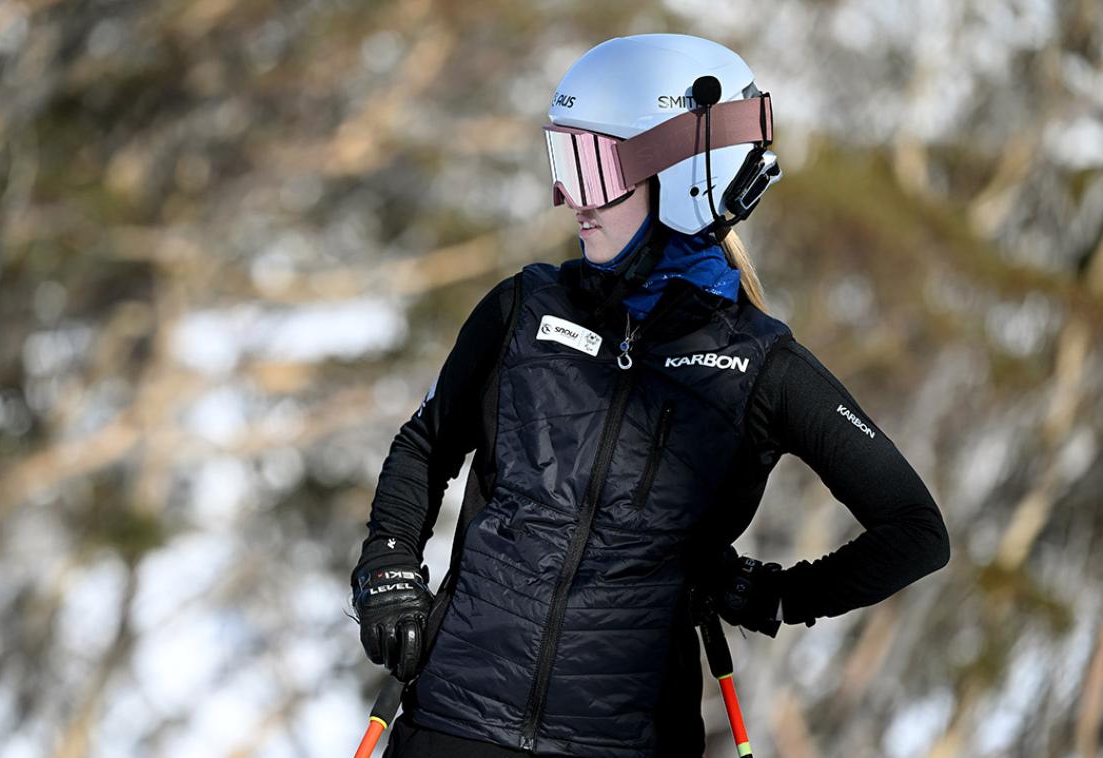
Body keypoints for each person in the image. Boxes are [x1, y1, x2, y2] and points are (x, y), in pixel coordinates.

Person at [349, 34, 950, 758]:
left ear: (689, 180)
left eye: (594, 165)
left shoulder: (760, 367)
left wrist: (775, 596)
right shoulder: (524, 310)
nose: (570, 195)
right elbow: (426, 442)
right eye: (563, 162)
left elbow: (914, 531)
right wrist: (388, 564)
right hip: (454, 722)